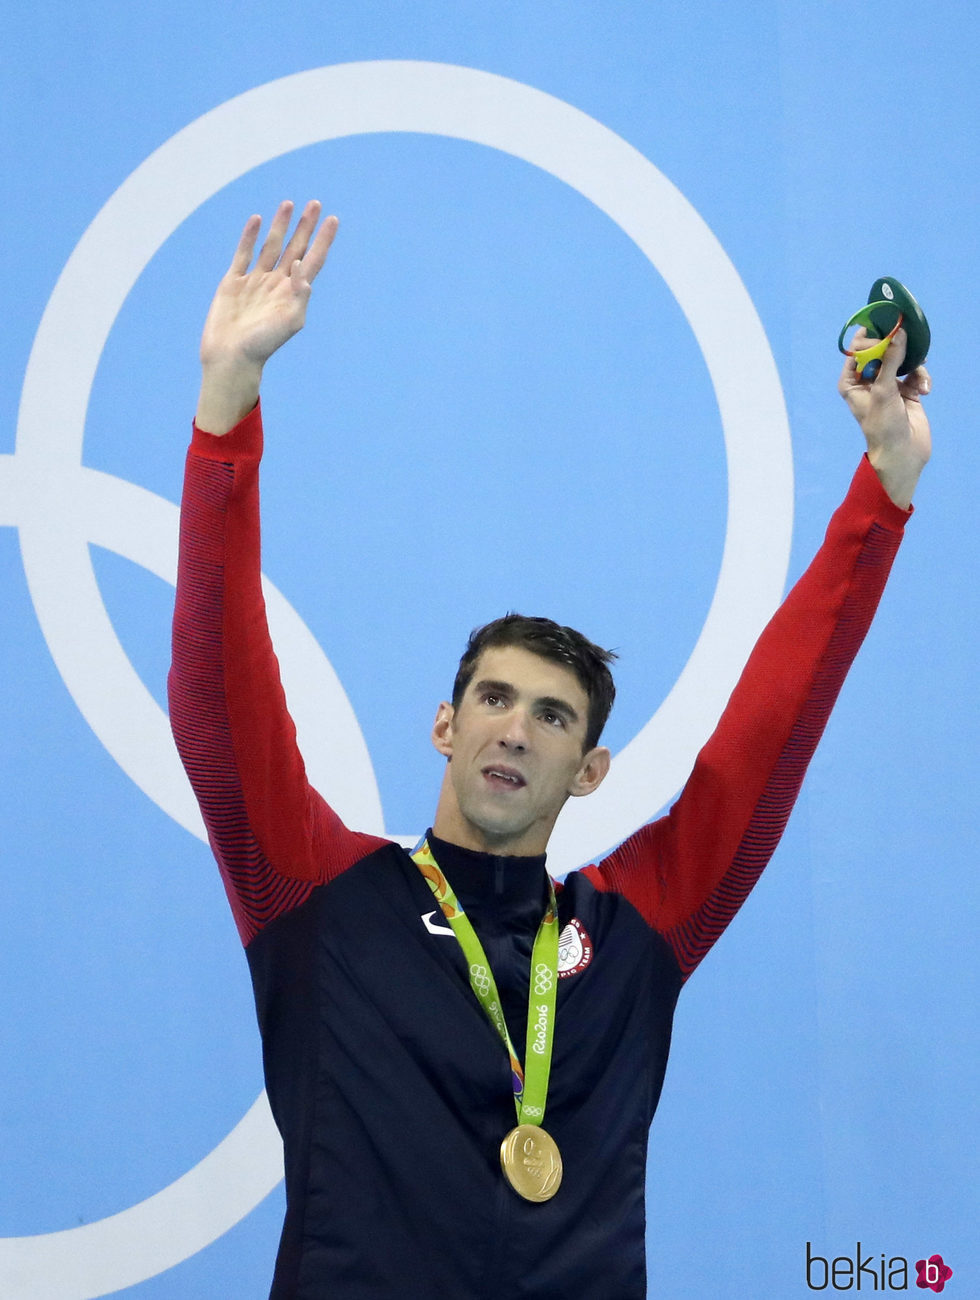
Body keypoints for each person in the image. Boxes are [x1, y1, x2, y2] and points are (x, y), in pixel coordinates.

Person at [169, 200, 931, 1299]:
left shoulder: (633, 932)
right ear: (444, 725)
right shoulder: (314, 892)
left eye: (553, 715)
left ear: (588, 771)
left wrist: (884, 492)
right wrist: (225, 406)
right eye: (491, 697)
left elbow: (772, 731)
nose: (513, 727)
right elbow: (214, 685)